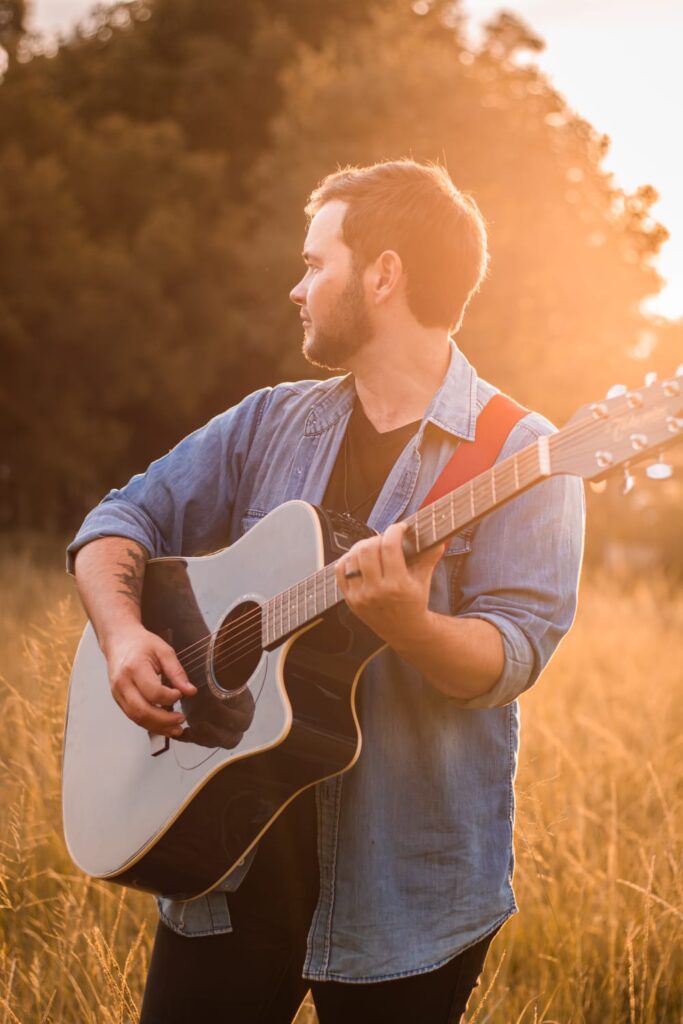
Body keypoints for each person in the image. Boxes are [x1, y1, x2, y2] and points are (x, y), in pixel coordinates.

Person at [67, 159, 584, 1023]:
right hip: (223, 863)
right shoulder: (268, 420)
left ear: (383, 274)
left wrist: (409, 624)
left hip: (403, 896)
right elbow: (117, 520)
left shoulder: (520, 455)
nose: (296, 287)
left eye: (315, 263)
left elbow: (510, 657)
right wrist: (124, 635)